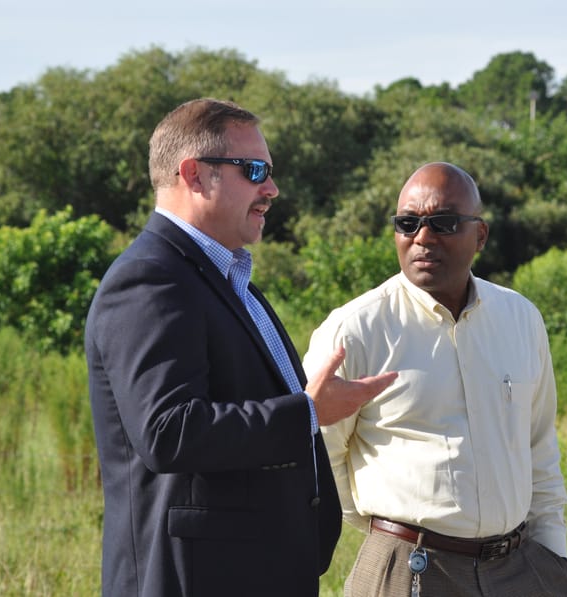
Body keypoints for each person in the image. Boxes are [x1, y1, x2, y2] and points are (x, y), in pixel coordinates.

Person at [84, 98, 397, 597]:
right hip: (195, 579)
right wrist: (307, 414)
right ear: (193, 174)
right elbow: (169, 432)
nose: (271, 189)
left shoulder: (227, 280)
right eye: (254, 170)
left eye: (269, 172)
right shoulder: (151, 279)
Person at [303, 162, 567, 596]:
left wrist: (553, 560)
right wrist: (391, 534)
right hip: (408, 570)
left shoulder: (520, 318)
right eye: (407, 223)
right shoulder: (354, 331)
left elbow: (539, 448)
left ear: (480, 236)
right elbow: (317, 459)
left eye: (443, 223)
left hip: (521, 569)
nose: (423, 238)